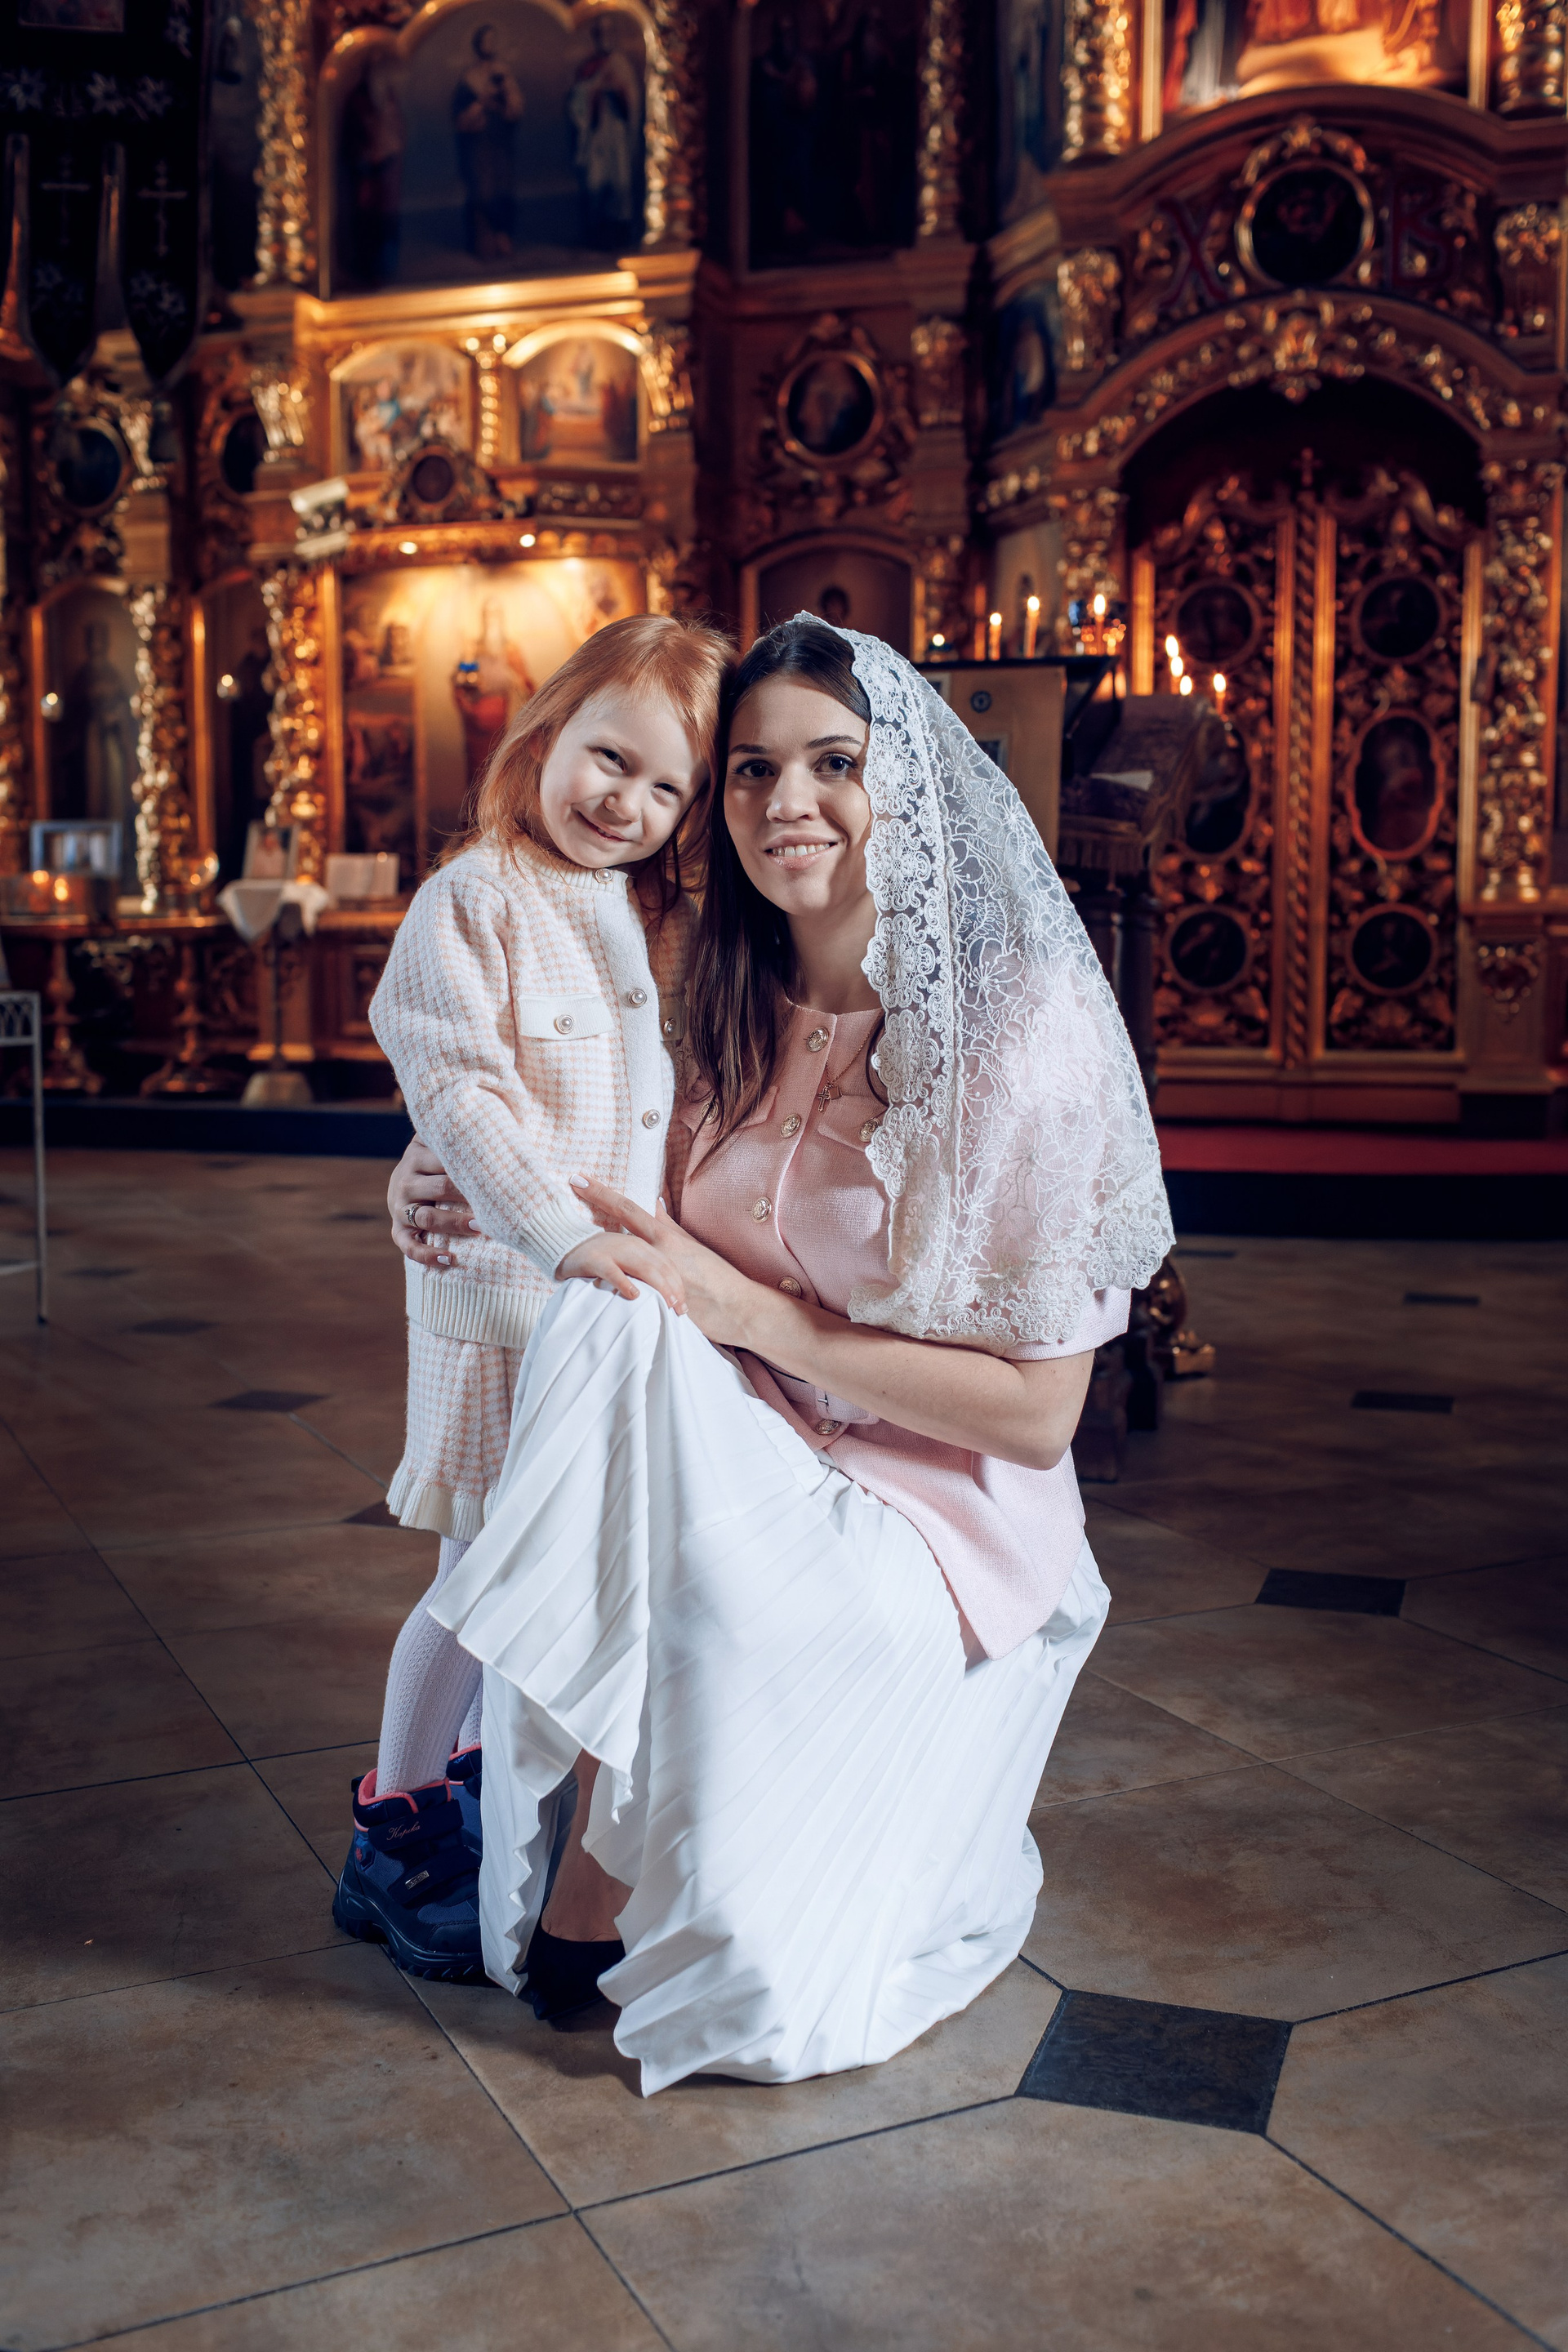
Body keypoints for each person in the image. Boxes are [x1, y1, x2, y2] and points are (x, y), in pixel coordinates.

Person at [391, 617, 1173, 2082]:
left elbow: (1036, 1419)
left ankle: (560, 1849)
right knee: (609, 1314)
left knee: (649, 1389)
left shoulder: (1019, 1037)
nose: (785, 803)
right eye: (749, 770)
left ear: (908, 783)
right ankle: (539, 1844)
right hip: (730, 1431)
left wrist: (757, 1317)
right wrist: (431, 1175)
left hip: (932, 1500)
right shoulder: (706, 989)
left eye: (834, 764)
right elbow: (556, 1143)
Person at [332, 613, 731, 1981]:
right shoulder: (471, 901)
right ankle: (393, 1824)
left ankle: (474, 1784)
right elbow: (462, 1100)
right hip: (505, 1309)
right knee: (477, 1575)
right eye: (611, 759)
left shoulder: (641, 916)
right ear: (547, 731)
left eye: (667, 787)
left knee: (541, 1568)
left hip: (602, 1318)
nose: (627, 803)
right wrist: (562, 1241)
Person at [452, 24, 524, 263]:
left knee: (503, 188)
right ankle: (484, 243)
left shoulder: (503, 74)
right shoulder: (469, 78)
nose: (489, 45)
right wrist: (483, 101)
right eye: (486, 41)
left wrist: (506, 95)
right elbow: (461, 117)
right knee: (482, 190)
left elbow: (515, 109)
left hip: (500, 142)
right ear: (478, 45)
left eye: (493, 41)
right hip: (479, 144)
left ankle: (503, 238)